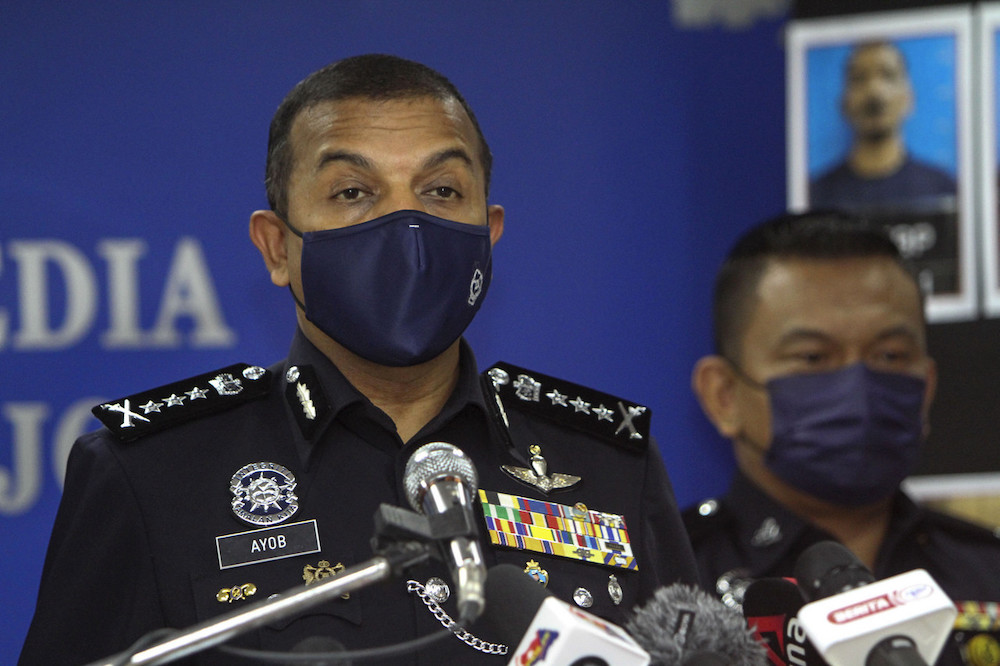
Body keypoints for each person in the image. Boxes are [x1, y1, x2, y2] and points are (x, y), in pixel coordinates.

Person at [19, 54, 698, 665]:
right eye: (353, 193)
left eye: (440, 192)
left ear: (488, 235)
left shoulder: (610, 467)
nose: (406, 227)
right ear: (277, 247)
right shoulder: (151, 475)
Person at [684, 211, 1000, 665]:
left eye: (890, 354)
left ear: (926, 388)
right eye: (812, 357)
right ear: (724, 395)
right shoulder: (664, 578)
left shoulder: (988, 571)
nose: (858, 388)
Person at [809, 40, 956, 213]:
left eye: (888, 75)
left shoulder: (941, 189)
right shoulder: (817, 194)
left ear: (909, 98)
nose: (875, 91)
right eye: (859, 78)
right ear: (843, 102)